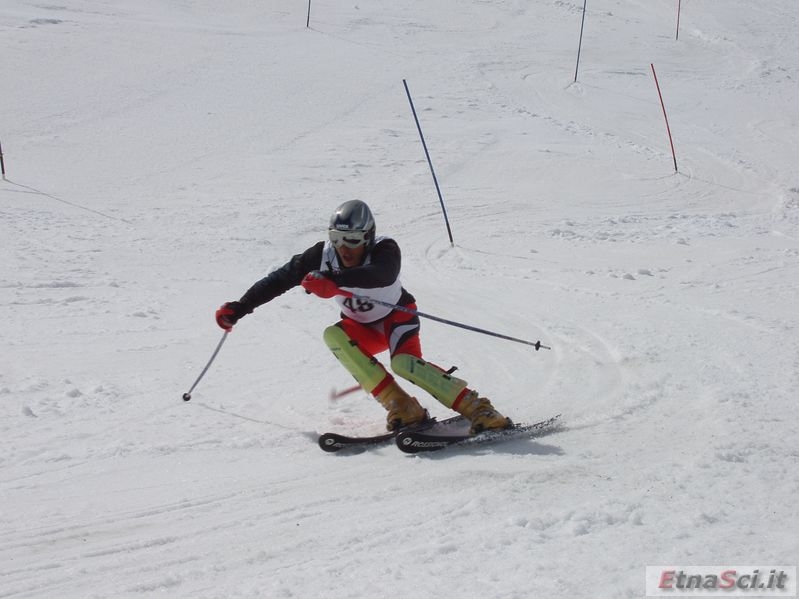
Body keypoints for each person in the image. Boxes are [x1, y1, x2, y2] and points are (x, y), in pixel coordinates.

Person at [215, 200, 512, 433]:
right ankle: (402, 406)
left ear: (367, 237)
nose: (344, 248)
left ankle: (480, 408)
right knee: (332, 335)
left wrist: (334, 282)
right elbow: (280, 279)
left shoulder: (384, 248)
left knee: (404, 364)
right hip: (361, 327)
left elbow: (382, 275)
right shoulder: (321, 255)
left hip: (397, 318)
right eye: (337, 238)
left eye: (353, 239)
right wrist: (239, 308)